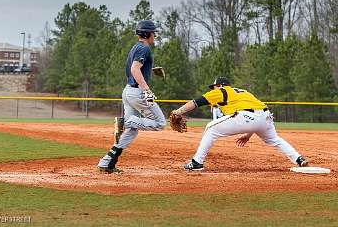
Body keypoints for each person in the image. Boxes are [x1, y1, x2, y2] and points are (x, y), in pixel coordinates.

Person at [172, 76, 308, 171]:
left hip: (246, 117)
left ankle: (197, 162)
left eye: (214, 87)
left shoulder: (221, 91)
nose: (213, 89)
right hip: (266, 117)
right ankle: (298, 158)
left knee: (210, 128)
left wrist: (178, 111)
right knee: (274, 140)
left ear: (220, 86)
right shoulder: (243, 92)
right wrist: (248, 135)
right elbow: (257, 115)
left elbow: (196, 102)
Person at [97, 20, 166, 173]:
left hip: (128, 91)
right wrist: (147, 90)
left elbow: (133, 68)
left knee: (132, 130)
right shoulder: (144, 49)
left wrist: (149, 70)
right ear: (147, 34)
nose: (155, 35)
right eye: (153, 32)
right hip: (138, 92)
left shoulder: (136, 47)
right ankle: (126, 121)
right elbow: (135, 69)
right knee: (160, 123)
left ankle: (107, 162)